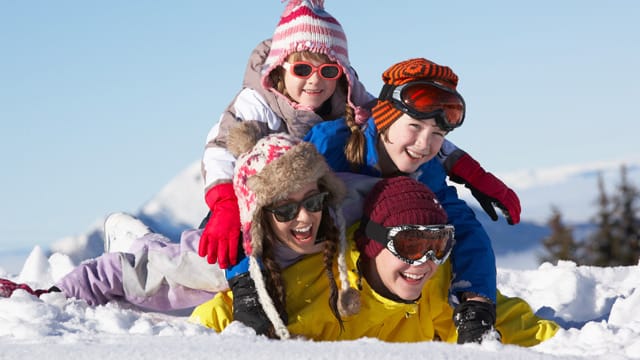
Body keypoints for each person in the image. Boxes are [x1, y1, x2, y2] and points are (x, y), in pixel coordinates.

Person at [199, 0, 521, 271]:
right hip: (249, 199)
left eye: (328, 70)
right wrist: (226, 204)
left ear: (341, 71)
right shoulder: (259, 100)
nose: (315, 81)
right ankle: (238, 286)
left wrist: (471, 172)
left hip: (307, 210)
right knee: (222, 250)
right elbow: (220, 149)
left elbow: (405, 130)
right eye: (302, 70)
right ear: (281, 68)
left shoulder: (349, 98)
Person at [190, 176, 559, 345]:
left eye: (439, 243)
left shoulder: (438, 288)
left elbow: (524, 330)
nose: (425, 261)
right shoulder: (308, 285)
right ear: (371, 244)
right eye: (410, 244)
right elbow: (201, 333)